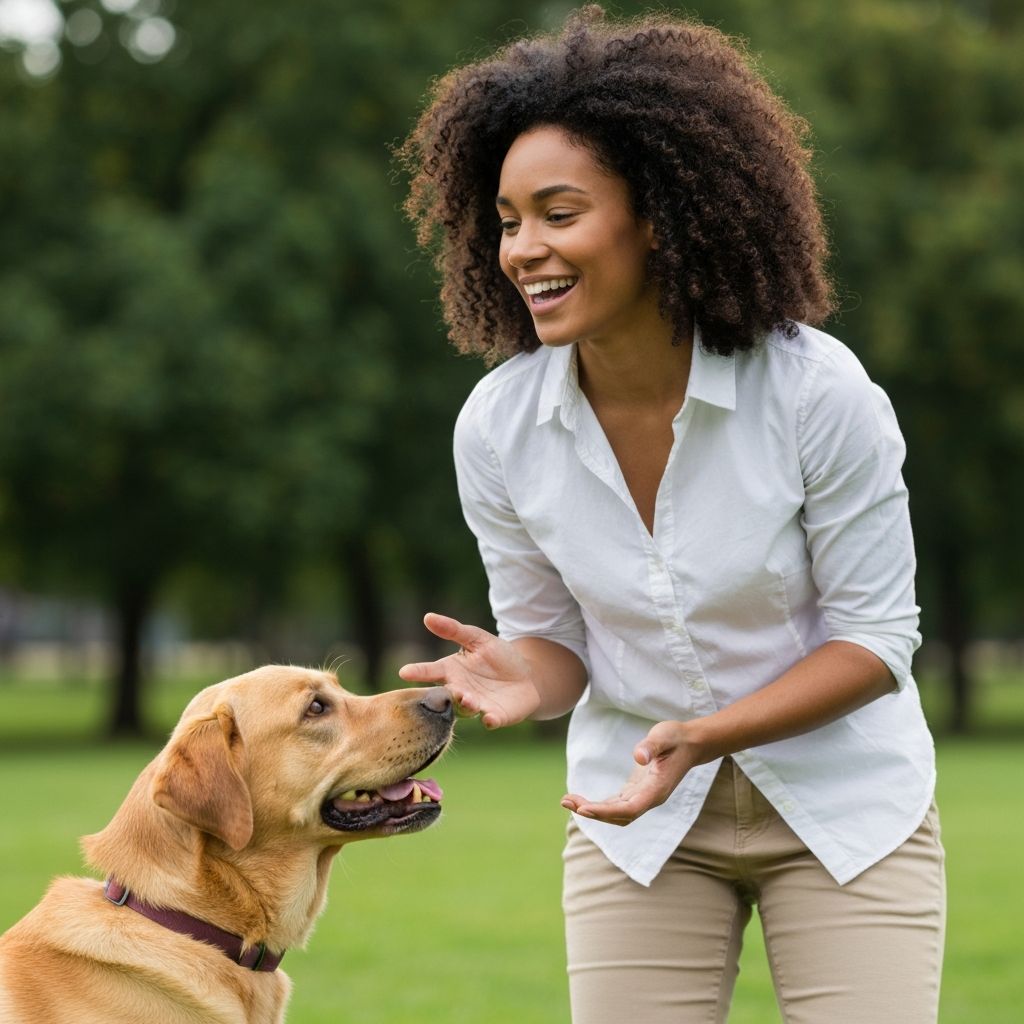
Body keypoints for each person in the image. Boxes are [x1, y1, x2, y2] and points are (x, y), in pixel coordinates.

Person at [397, 6, 945, 1023]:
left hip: (845, 807)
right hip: (634, 816)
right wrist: (528, 669)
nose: (523, 249)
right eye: (508, 220)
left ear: (656, 214)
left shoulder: (814, 395)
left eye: (558, 213)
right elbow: (557, 645)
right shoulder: (499, 427)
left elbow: (875, 641)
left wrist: (705, 732)